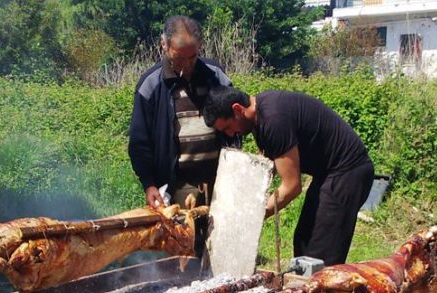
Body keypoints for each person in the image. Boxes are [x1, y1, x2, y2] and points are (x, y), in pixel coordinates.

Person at [203, 87, 375, 266]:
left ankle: (322, 292)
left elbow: (291, 186)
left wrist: (253, 216)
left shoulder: (273, 120)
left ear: (238, 109)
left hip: (348, 172)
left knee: (320, 255)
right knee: (304, 241)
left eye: (228, 127)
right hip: (327, 173)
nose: (230, 134)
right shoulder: (258, 117)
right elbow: (271, 164)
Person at [128, 15, 237, 253]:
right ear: (164, 45)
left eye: (192, 57)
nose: (187, 66)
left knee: (220, 247)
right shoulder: (150, 84)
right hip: (179, 184)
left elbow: (235, 117)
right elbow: (139, 142)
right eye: (179, 58)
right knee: (180, 251)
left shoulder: (214, 75)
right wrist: (149, 183)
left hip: (219, 179)